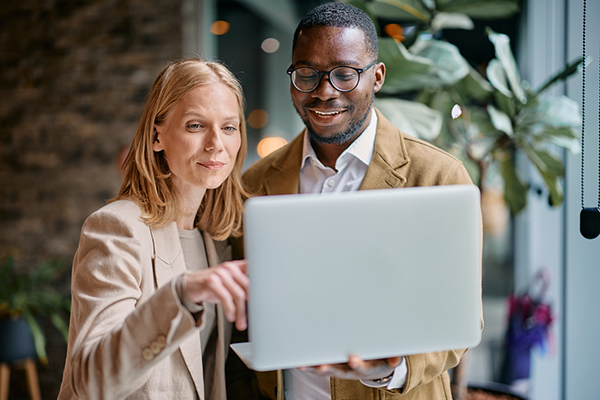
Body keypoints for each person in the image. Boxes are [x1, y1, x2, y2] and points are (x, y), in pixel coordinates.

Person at [239, 2, 481, 400]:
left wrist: (390, 368)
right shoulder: (255, 184)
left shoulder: (438, 178)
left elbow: (459, 324)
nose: (324, 91)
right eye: (306, 74)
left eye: (345, 75)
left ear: (378, 76)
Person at [58, 59, 250, 400]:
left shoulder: (216, 239)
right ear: (157, 135)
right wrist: (180, 295)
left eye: (229, 127)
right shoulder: (117, 228)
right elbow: (91, 380)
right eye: (195, 126)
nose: (216, 144)